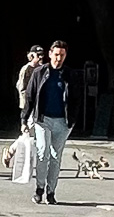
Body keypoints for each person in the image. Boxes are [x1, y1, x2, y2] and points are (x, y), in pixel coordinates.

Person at [22, 39, 77, 206]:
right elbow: (30, 96)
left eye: (62, 55)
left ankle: (51, 191)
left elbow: (75, 98)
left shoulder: (69, 74)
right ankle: (39, 188)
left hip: (62, 121)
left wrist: (73, 121)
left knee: (55, 157)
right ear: (50, 54)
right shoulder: (39, 72)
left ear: (65, 56)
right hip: (43, 119)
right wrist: (24, 119)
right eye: (56, 54)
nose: (58, 58)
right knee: (42, 152)